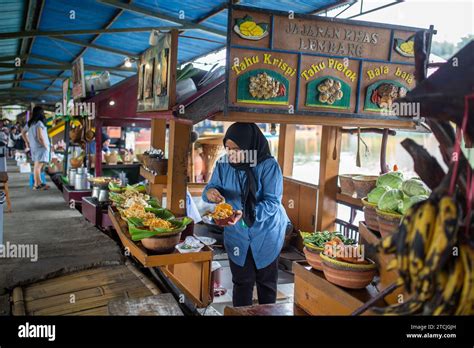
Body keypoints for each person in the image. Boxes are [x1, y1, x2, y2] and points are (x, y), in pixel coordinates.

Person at [202, 122, 289, 307]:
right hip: (237, 233)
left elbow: (273, 202)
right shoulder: (223, 164)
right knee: (242, 282)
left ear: (250, 146)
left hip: (266, 232)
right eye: (227, 148)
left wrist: (248, 213)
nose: (231, 153)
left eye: (236, 149)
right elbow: (211, 187)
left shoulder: (268, 165)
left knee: (266, 284)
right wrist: (210, 193)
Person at [22, 106, 50, 190]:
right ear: (41, 113)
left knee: (37, 166)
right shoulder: (39, 123)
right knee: (38, 167)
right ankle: (37, 185)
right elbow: (40, 137)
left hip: (33, 147)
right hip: (40, 147)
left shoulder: (30, 123)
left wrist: (27, 142)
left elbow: (23, 132)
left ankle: (39, 183)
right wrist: (46, 146)